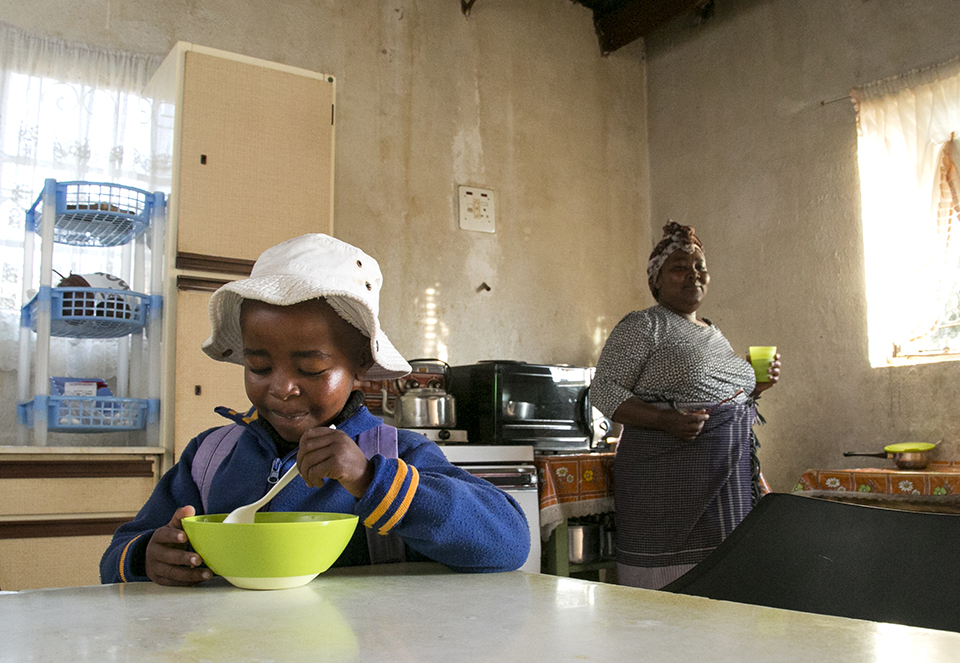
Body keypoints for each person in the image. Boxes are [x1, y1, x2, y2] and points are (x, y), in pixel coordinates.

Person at [101, 233, 530, 586]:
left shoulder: (394, 455)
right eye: (259, 366)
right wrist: (147, 557)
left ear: (361, 365)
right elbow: (115, 559)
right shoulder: (210, 458)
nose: (282, 388)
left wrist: (368, 478)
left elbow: (509, 543)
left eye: (311, 368)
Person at [590, 222, 781, 590]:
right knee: (672, 596)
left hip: (723, 484)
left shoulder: (712, 331)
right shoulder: (644, 325)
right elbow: (604, 391)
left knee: (722, 586)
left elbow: (723, 395)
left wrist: (758, 385)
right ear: (656, 279)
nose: (693, 274)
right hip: (669, 485)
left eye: (699, 267)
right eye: (679, 267)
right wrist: (664, 420)